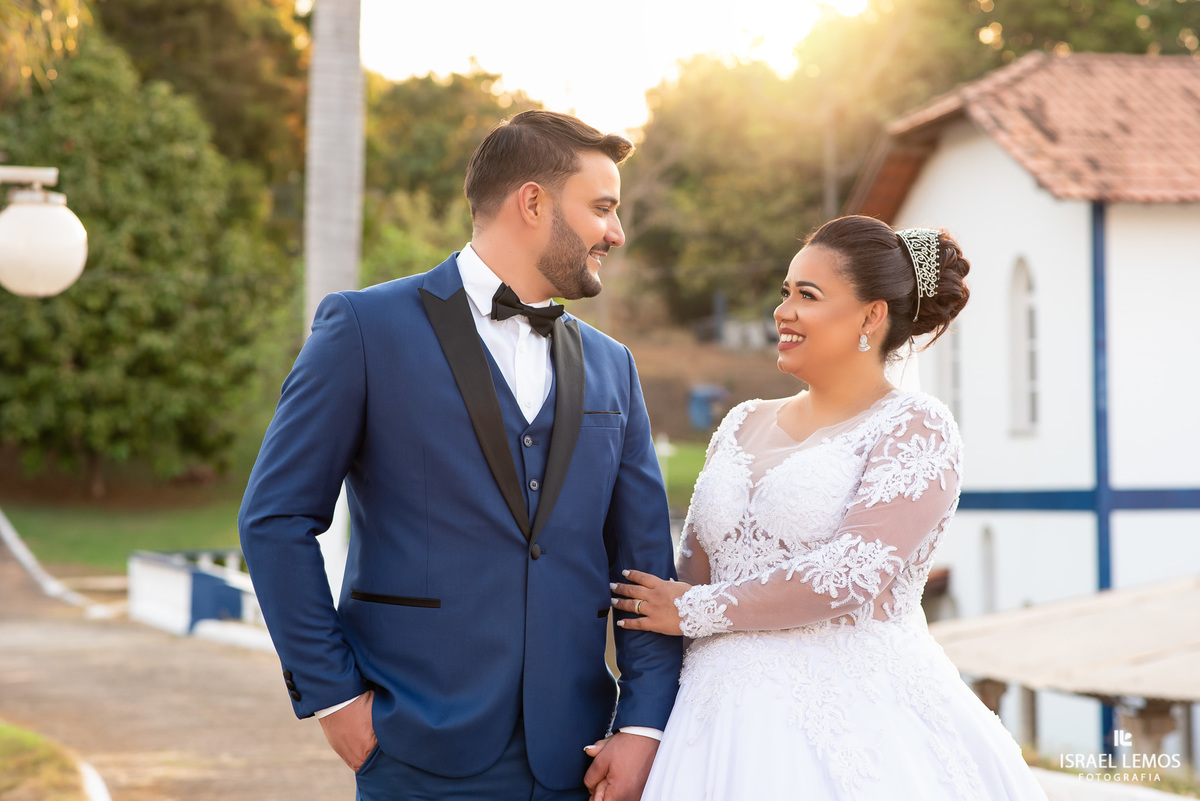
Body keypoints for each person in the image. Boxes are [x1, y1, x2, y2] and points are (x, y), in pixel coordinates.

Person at [238, 110, 682, 801]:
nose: (616, 233)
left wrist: (644, 725)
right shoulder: (364, 329)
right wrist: (335, 700)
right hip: (415, 748)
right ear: (532, 202)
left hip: (581, 759)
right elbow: (274, 518)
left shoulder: (612, 366)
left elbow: (644, 565)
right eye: (602, 208)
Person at [608, 215, 1050, 799]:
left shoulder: (915, 426)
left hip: (854, 718)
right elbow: (689, 577)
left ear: (872, 316)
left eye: (807, 296)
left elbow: (853, 571)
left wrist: (694, 609)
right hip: (708, 719)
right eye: (785, 293)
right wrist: (643, 722)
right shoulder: (741, 423)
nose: (782, 311)